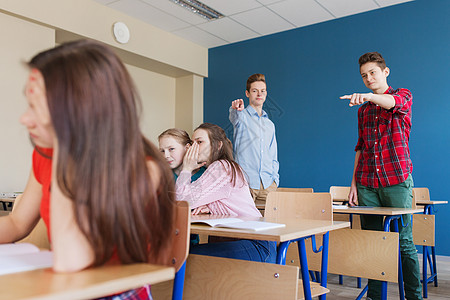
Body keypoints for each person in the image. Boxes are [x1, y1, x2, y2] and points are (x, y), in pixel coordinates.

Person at [0, 40, 176, 299]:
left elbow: (71, 259)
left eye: (36, 107)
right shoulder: (44, 155)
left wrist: (64, 142)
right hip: (64, 286)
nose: (24, 119)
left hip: (114, 293)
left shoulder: (144, 170)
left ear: (77, 111)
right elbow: (17, 223)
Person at [341, 52, 422, 300]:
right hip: (367, 184)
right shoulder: (363, 111)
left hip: (396, 180)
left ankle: (414, 296)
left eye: (372, 73)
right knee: (374, 244)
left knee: (404, 243)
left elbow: (393, 104)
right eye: (364, 76)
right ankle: (375, 296)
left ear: (385, 72)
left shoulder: (403, 96)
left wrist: (370, 97)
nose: (368, 78)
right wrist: (353, 183)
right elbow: (361, 147)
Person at [176, 123, 276, 263]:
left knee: (184, 256)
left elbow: (181, 201)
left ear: (218, 145)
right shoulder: (220, 168)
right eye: (193, 143)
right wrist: (210, 206)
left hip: (255, 244)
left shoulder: (222, 168)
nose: (194, 148)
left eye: (200, 142)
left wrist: (186, 169)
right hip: (242, 241)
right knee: (185, 255)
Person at [229, 73, 279, 206]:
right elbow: (234, 116)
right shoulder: (241, 116)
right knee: (244, 225)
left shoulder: (270, 125)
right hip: (246, 184)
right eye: (254, 91)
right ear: (247, 93)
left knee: (270, 225)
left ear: (266, 93)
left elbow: (273, 154)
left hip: (268, 186)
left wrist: (275, 180)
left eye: (262, 91)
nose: (259, 94)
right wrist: (235, 109)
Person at [158, 128, 206, 246]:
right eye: (162, 151)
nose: (166, 155)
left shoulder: (205, 174)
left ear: (188, 148)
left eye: (171, 149)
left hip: (191, 241)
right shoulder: (162, 174)